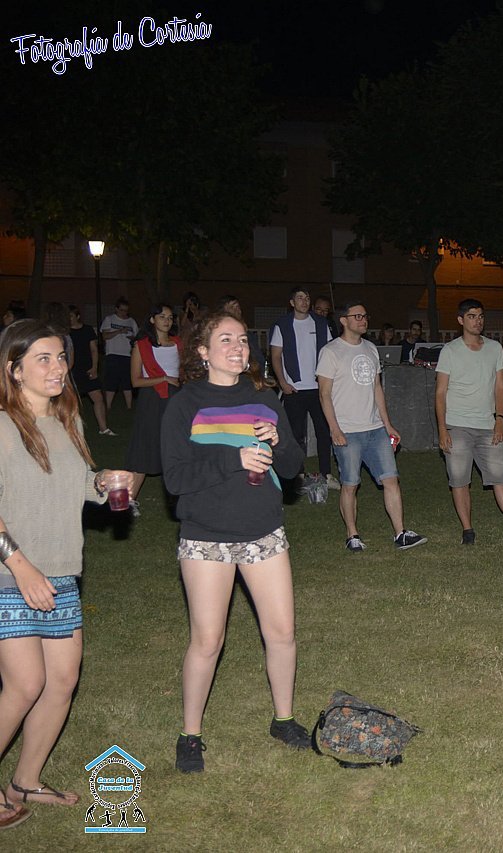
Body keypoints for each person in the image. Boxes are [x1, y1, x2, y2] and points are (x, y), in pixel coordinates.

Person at [161, 312, 309, 773]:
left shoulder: (264, 399)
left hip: (263, 531)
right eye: (225, 339)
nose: (237, 347)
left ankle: (283, 719)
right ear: (203, 351)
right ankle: (190, 734)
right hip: (206, 536)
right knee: (208, 640)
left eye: (242, 340)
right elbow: (175, 478)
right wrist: (234, 458)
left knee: (281, 633)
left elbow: (291, 467)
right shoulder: (185, 404)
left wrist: (279, 441)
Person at [0, 321, 127, 828]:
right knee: (25, 684)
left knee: (61, 682)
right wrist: (21, 566)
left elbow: (78, 486)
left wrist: (105, 483)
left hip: (61, 572)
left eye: (60, 357)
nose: (58, 368)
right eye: (43, 359)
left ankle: (25, 781)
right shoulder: (2, 426)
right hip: (11, 574)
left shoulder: (65, 421)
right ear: (14, 369)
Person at [316, 303, 424, 552]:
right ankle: (352, 535)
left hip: (375, 429)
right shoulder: (331, 351)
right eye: (357, 316)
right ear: (344, 320)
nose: (363, 319)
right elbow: (324, 394)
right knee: (350, 484)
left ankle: (400, 533)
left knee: (391, 479)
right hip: (347, 430)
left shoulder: (371, 348)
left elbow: (377, 388)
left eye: (365, 315)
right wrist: (334, 429)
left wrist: (388, 424)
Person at [435, 299, 503, 546]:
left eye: (480, 316)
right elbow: (440, 392)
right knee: (460, 480)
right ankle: (467, 529)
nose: (477, 321)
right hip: (457, 424)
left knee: (500, 477)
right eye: (471, 316)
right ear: (461, 320)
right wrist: (442, 429)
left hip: (487, 424)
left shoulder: (494, 348)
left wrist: (499, 420)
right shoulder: (450, 350)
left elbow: (500, 387)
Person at [269, 287, 336, 489]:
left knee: (324, 432)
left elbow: (331, 352)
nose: (304, 301)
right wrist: (282, 382)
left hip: (319, 389)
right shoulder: (282, 325)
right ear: (292, 303)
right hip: (294, 390)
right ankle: (298, 475)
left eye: (307, 298)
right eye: (300, 298)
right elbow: (275, 356)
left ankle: (327, 474)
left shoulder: (321, 323)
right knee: (296, 435)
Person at [125, 304, 182, 517]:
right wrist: (164, 378)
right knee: (145, 446)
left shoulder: (178, 343)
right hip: (151, 399)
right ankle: (128, 500)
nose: (167, 321)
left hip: (176, 399)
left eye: (170, 317)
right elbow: (136, 381)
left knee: (177, 446)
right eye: (162, 317)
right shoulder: (141, 346)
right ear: (152, 319)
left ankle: (182, 498)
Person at [66, 305, 112, 436]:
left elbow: (94, 349)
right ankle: (71, 430)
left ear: (77, 316)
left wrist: (94, 367)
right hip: (72, 369)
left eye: (71, 316)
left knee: (98, 398)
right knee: (71, 401)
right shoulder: (65, 332)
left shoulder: (87, 330)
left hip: (87, 368)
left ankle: (103, 428)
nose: (69, 319)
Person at [214, 296, 268, 384]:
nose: (237, 310)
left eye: (238, 307)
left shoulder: (248, 336)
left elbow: (258, 360)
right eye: (232, 307)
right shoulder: (217, 334)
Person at [99, 297, 138, 414]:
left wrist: (132, 338)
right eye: (121, 310)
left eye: (126, 310)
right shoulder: (109, 319)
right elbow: (105, 336)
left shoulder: (131, 321)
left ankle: (129, 407)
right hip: (113, 354)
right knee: (111, 381)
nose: (124, 313)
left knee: (127, 381)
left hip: (127, 355)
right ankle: (108, 406)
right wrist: (119, 331)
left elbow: (137, 338)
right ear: (116, 309)